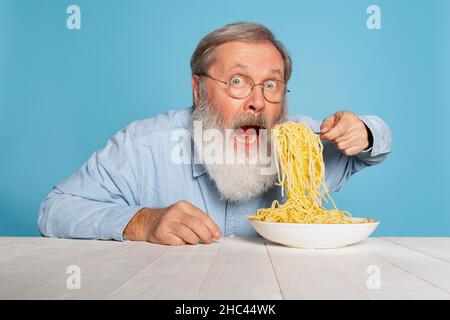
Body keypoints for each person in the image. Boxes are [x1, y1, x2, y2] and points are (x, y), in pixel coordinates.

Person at [38, 22, 392, 246]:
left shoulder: (305, 141)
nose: (257, 101)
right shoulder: (144, 147)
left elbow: (373, 145)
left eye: (272, 85)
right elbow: (54, 210)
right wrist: (142, 221)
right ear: (199, 90)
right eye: (237, 82)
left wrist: (364, 131)